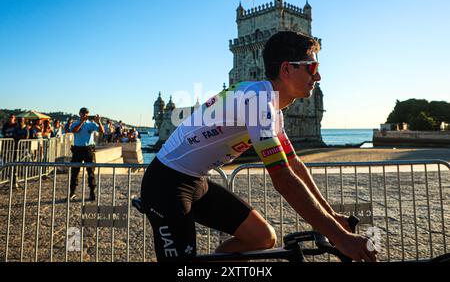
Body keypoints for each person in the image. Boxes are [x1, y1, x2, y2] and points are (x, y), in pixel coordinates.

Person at [139, 31, 377, 262]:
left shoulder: (273, 110)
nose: (318, 77)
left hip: (196, 181)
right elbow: (283, 179)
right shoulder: (256, 100)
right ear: (286, 69)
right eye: (311, 68)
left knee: (262, 238)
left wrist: (332, 217)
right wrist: (341, 237)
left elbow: (294, 164)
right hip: (166, 184)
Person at [68, 107, 104, 201]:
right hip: (77, 150)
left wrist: (99, 122)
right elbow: (74, 130)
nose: (85, 115)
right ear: (79, 113)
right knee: (74, 172)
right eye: (83, 113)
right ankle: (72, 192)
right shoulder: (76, 123)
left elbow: (102, 131)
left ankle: (92, 192)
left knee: (91, 172)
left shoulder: (91, 124)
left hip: (88, 150)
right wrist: (82, 122)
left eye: (86, 113)